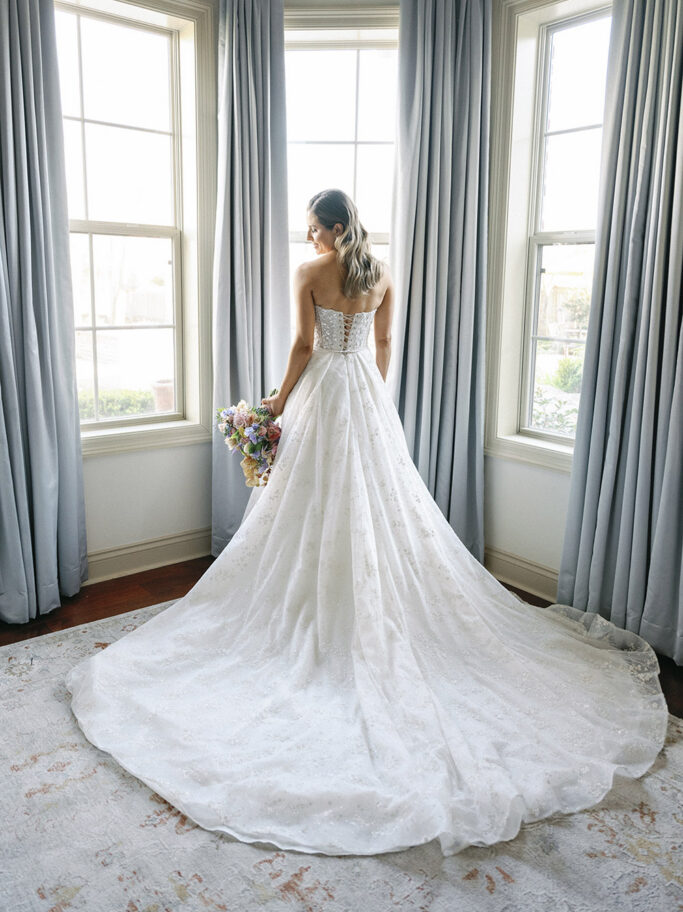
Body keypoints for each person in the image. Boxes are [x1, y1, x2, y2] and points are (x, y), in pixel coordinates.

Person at [66, 188, 668, 858]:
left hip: (323, 391)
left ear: (326, 229)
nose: (306, 239)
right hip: (365, 396)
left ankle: (320, 607)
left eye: (309, 228)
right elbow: (381, 344)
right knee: (377, 505)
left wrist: (277, 400)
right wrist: (371, 400)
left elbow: (301, 343)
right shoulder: (379, 273)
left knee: (311, 503)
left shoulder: (309, 274)